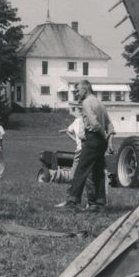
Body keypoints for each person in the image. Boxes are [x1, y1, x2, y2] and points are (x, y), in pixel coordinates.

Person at [57, 80, 113, 211]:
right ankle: (98, 203)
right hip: (101, 143)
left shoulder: (87, 102)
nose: (77, 93)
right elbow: (110, 125)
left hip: (93, 138)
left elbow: (94, 124)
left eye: (78, 90)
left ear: (85, 89)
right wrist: (108, 141)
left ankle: (73, 201)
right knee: (98, 172)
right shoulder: (100, 103)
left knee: (81, 170)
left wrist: (101, 135)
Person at [59, 103, 94, 204]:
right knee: (73, 176)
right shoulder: (77, 121)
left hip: (89, 151)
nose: (80, 111)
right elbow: (68, 131)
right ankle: (72, 201)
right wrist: (75, 140)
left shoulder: (91, 122)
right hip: (79, 151)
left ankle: (91, 202)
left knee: (89, 178)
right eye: (79, 109)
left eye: (82, 109)